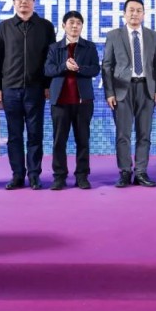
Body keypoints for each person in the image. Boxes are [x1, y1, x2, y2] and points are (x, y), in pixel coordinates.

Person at [0, 0, 56, 191]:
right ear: (13, 2)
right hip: (10, 88)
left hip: (36, 88)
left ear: (34, 2)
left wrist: (48, 84)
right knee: (14, 135)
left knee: (35, 134)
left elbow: (51, 59)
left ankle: (34, 175)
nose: (23, 2)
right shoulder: (4, 27)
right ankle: (17, 175)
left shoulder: (45, 26)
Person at [102, 0, 156, 188]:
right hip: (122, 90)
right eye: (131, 10)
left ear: (144, 14)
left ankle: (141, 172)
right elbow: (107, 66)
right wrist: (109, 92)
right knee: (123, 134)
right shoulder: (114, 35)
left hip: (146, 89)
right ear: (124, 13)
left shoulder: (153, 36)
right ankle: (125, 171)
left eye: (138, 10)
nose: (135, 14)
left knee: (144, 133)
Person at [44, 11, 100, 190]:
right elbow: (48, 70)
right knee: (59, 141)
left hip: (83, 101)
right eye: (71, 22)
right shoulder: (55, 47)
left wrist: (79, 68)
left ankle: (82, 176)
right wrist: (64, 66)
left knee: (83, 140)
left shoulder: (89, 47)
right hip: (60, 101)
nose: (75, 26)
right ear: (63, 26)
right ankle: (59, 176)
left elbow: (95, 69)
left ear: (82, 26)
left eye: (78, 23)